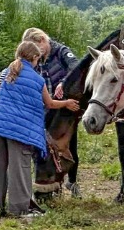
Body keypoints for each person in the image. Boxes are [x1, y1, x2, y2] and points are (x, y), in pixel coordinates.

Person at [0, 41, 79, 219]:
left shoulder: (4, 74)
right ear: (34, 58)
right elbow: (49, 103)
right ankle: (19, 208)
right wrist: (66, 103)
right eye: (38, 60)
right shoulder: (37, 80)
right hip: (19, 131)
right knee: (20, 167)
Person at [22, 28, 83, 197]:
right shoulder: (37, 57)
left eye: (38, 47)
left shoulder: (62, 51)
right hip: (45, 107)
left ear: (43, 40)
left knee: (69, 145)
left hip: (65, 108)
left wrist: (63, 83)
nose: (37, 52)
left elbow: (76, 67)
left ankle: (72, 181)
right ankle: (47, 183)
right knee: (43, 146)